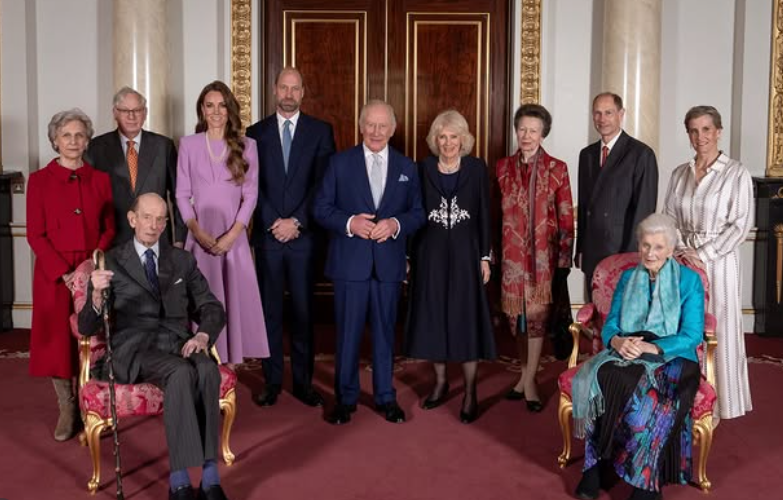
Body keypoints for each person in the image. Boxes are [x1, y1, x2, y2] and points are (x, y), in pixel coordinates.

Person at [78, 193, 231, 500]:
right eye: (146, 217)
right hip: (133, 348)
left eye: (160, 219)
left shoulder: (182, 260)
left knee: (206, 368)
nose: (153, 225)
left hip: (176, 341)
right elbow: (86, 327)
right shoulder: (111, 261)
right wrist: (95, 296)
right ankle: (180, 483)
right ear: (132, 219)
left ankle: (211, 477)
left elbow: (211, 306)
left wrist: (202, 337)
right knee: (179, 372)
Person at [571, 214, 704, 500]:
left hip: (674, 354)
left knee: (651, 397)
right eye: (645, 245)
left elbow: (692, 335)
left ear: (670, 250)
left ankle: (644, 481)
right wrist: (618, 341)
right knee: (603, 377)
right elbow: (611, 325)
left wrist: (652, 348)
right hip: (629, 346)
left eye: (658, 247)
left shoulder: (689, 281)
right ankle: (596, 466)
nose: (650, 253)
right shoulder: (629, 277)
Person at [314, 100, 425, 425]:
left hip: (388, 264)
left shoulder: (407, 167)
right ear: (361, 126)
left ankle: (385, 397)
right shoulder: (339, 163)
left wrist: (395, 225)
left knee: (385, 334)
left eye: (383, 126)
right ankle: (345, 399)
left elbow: (418, 213)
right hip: (350, 263)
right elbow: (320, 208)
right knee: (347, 335)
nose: (376, 132)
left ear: (392, 129)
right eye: (370, 125)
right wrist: (350, 223)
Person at [245, 67, 336, 408]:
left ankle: (303, 382)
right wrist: (273, 221)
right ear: (273, 90)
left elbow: (323, 184)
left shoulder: (320, 132)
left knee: (302, 313)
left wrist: (296, 221)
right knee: (269, 313)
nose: (288, 93)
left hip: (303, 238)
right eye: (283, 87)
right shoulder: (255, 133)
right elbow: (252, 185)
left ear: (302, 92)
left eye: (294, 88)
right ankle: (271, 382)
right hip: (268, 238)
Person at [26, 108, 115, 441]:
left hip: (92, 273)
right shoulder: (38, 181)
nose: (73, 141)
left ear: (87, 140)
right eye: (67, 135)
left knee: (93, 340)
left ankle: (92, 404)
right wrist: (64, 273)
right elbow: (36, 234)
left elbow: (110, 228)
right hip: (54, 276)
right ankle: (67, 408)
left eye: (79, 135)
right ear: (55, 140)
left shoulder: (101, 179)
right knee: (58, 343)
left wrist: (91, 264)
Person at [663, 105, 754, 420]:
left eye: (705, 129)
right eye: (693, 130)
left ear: (718, 131)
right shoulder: (679, 173)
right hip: (682, 262)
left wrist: (702, 254)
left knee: (718, 329)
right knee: (685, 328)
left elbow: (740, 226)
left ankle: (718, 404)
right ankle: (685, 397)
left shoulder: (736, 173)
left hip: (719, 263)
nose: (699, 136)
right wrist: (677, 250)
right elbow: (669, 218)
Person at [405, 110, 495, 423]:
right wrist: (407, 255)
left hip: (466, 254)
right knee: (433, 317)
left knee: (465, 318)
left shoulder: (476, 168)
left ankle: (470, 391)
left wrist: (485, 256)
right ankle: (441, 382)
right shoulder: (423, 168)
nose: (447, 143)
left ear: (463, 139)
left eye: (453, 137)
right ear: (435, 140)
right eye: (442, 137)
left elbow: (484, 212)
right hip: (429, 254)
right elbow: (413, 212)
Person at [176, 81, 270, 366]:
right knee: (202, 298)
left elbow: (250, 195)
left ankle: (230, 365)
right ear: (202, 111)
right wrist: (196, 230)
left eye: (221, 105)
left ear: (230, 109)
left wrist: (233, 235)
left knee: (231, 298)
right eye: (209, 105)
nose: (216, 111)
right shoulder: (188, 144)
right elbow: (181, 194)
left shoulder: (247, 145)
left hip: (234, 238)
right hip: (200, 237)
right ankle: (200, 361)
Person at [496, 103, 574, 412]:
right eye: (522, 129)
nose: (526, 136)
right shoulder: (502, 167)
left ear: (543, 134)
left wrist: (564, 262)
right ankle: (524, 374)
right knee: (518, 320)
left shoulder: (558, 168)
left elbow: (566, 217)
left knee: (538, 319)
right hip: (511, 257)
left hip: (544, 259)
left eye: (533, 130)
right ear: (516, 130)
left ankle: (528, 381)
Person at [576, 93, 658, 295]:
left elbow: (643, 211)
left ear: (621, 114)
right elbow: (585, 206)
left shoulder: (641, 154)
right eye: (597, 113)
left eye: (608, 113)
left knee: (621, 317)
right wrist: (580, 249)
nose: (602, 119)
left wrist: (632, 256)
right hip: (592, 251)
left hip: (622, 250)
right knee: (594, 316)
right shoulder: (586, 154)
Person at [86, 87, 185, 247]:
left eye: (137, 110)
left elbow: (178, 196)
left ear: (145, 113)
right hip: (111, 243)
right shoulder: (96, 148)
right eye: (125, 110)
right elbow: (88, 201)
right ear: (115, 113)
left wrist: (179, 239)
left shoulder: (163, 146)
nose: (131, 116)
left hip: (156, 240)